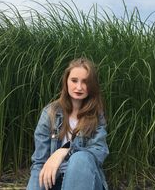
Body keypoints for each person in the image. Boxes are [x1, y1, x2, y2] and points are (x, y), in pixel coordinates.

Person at [26, 58, 109, 190]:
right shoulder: (50, 113)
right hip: (54, 182)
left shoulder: (96, 115)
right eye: (74, 80)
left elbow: (99, 151)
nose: (79, 87)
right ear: (66, 81)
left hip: (88, 182)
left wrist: (65, 151)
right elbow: (39, 163)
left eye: (85, 82)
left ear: (91, 85)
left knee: (80, 158)